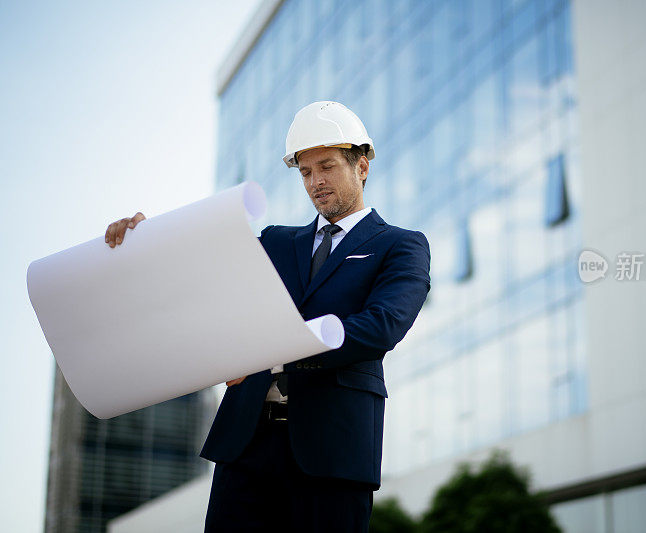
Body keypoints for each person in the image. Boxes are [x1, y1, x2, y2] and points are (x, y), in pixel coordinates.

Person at [104, 101, 431, 531]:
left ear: (362, 166)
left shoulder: (400, 245)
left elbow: (381, 326)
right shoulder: (276, 241)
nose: (316, 182)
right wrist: (148, 242)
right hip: (246, 447)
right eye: (306, 172)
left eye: (327, 167)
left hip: (333, 452)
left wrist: (271, 354)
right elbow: (207, 282)